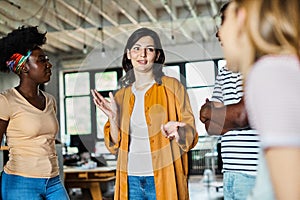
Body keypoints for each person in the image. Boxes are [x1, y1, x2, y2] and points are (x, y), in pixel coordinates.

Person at [91, 27, 198, 200]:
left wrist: (179, 131)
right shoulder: (120, 95)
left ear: (156, 55)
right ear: (128, 54)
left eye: (149, 49)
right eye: (137, 48)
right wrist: (113, 118)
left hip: (164, 177)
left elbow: (191, 133)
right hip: (130, 178)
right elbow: (114, 144)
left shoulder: (173, 87)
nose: (142, 54)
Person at [218, 0, 300, 199]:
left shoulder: (270, 72)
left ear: (241, 18)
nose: (220, 32)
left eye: (223, 21)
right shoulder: (286, 67)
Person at [0, 26, 69, 200]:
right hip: (20, 182)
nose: (49, 64)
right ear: (24, 67)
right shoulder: (6, 100)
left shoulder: (50, 100)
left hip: (53, 181)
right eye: (42, 60)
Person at [200, 2, 260, 200]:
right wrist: (223, 117)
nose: (218, 34)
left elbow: (243, 115)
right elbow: (211, 128)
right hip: (229, 173)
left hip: (255, 174)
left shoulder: (258, 61)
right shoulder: (224, 71)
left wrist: (211, 112)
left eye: (223, 25)